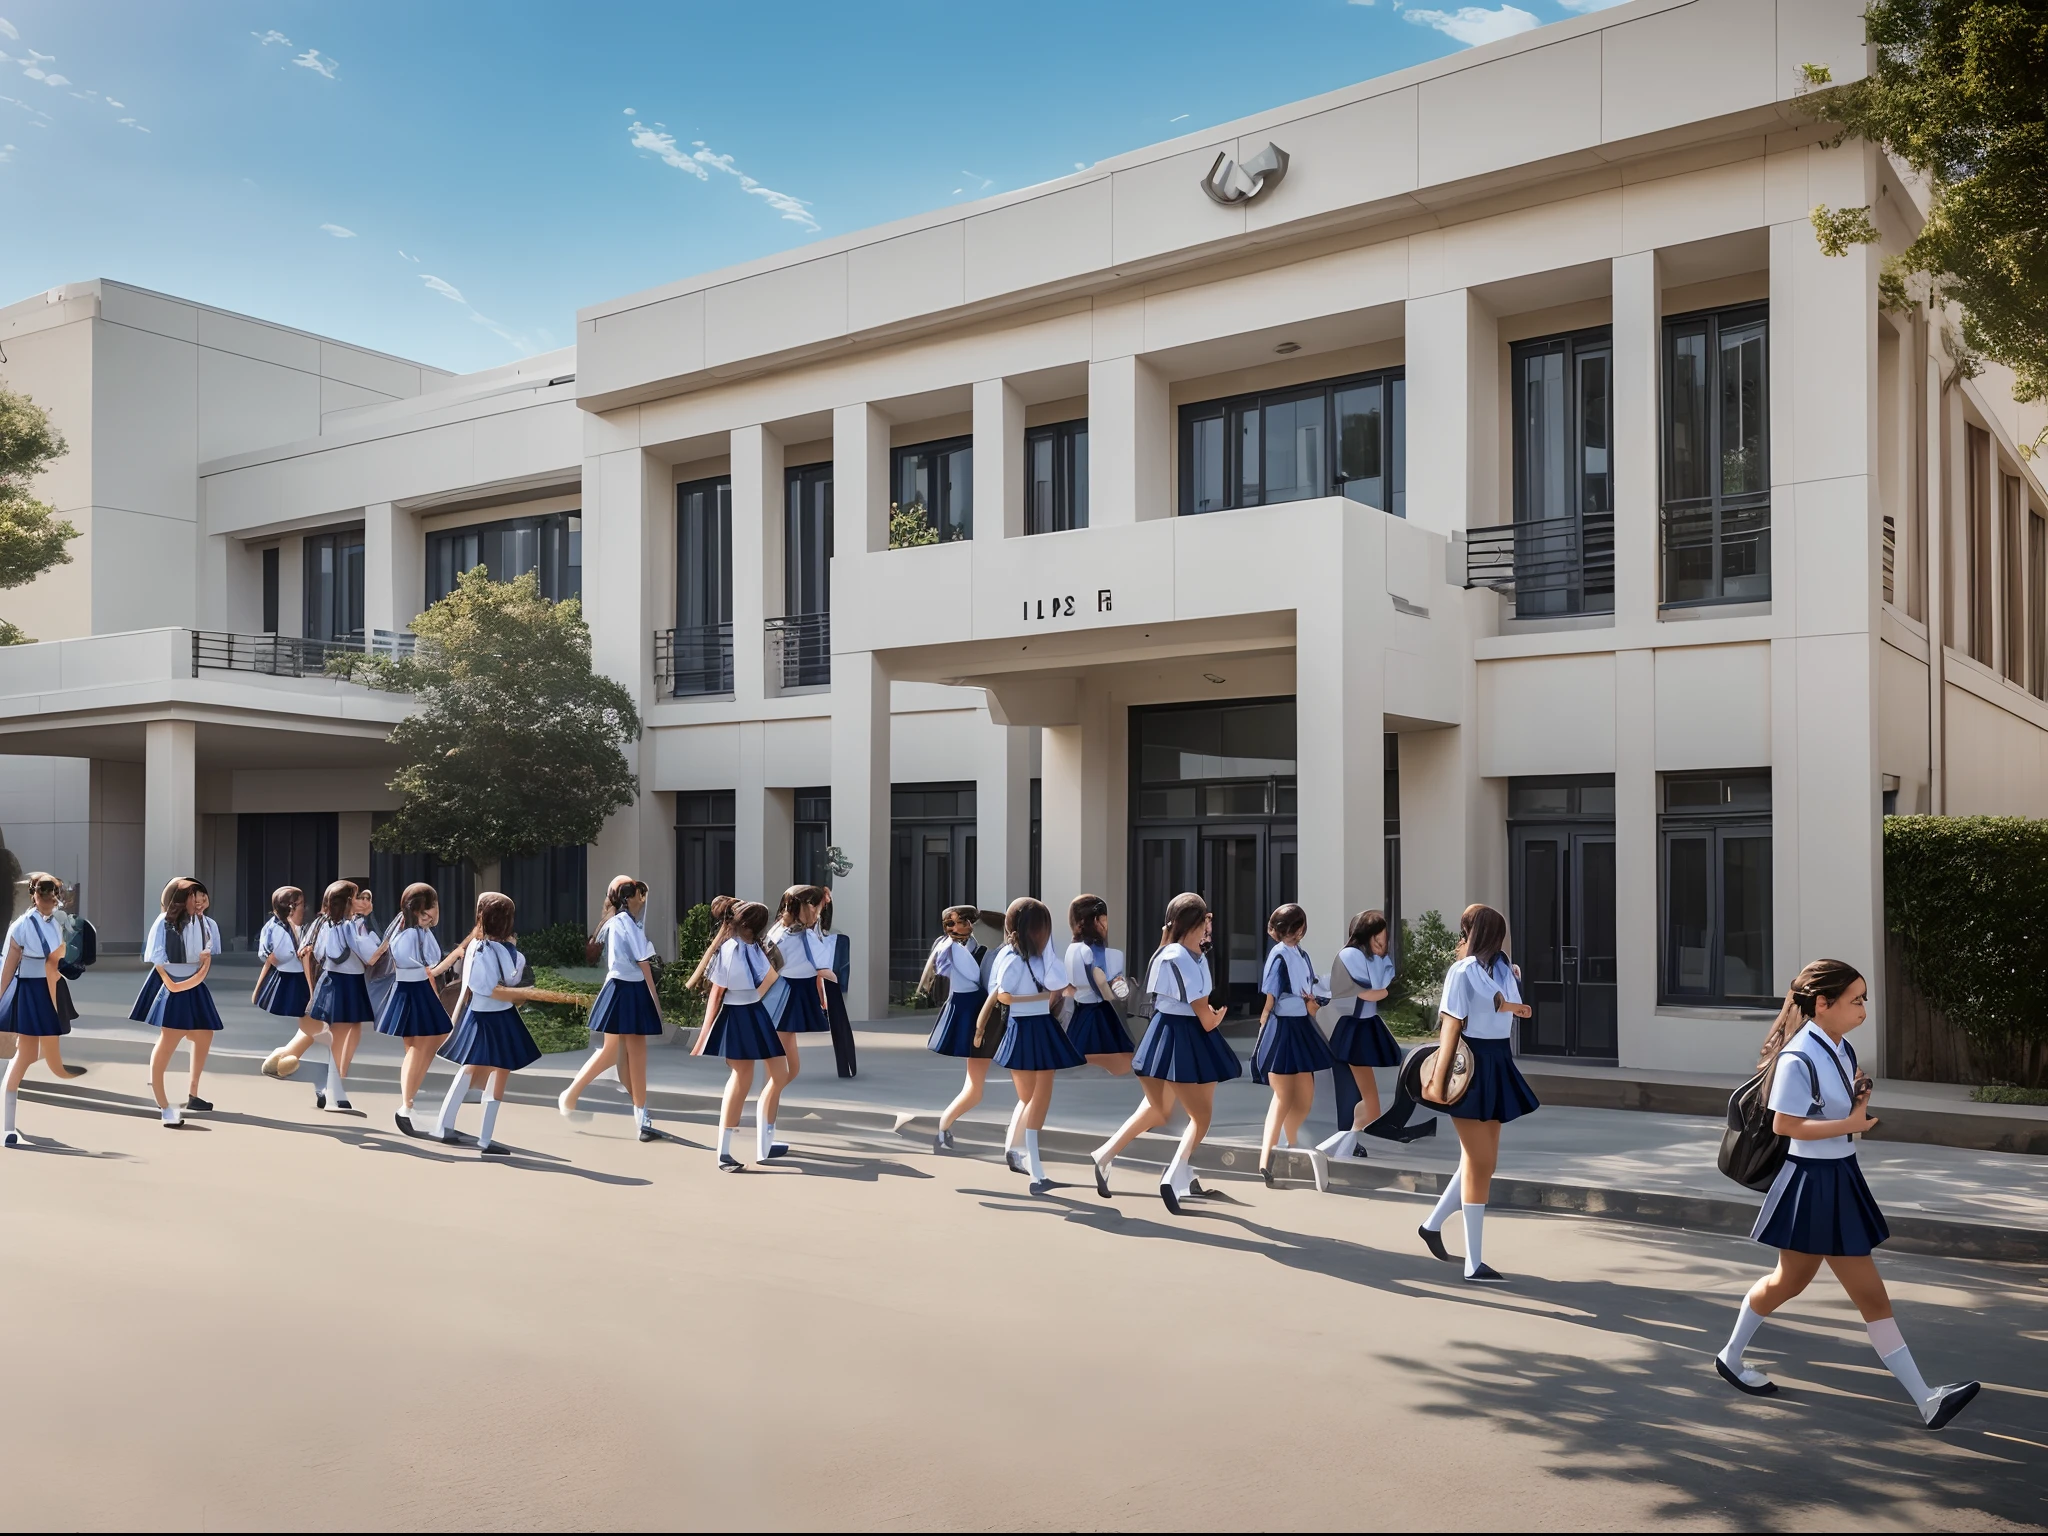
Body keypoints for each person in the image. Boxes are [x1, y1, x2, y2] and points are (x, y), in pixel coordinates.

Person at [1714, 958, 1980, 1428]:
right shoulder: (1798, 1057)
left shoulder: (1840, 1047)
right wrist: (1852, 1123)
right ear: (1823, 1003)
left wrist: (1859, 1101)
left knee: (1789, 1282)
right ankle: (1927, 1400)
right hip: (1811, 1183)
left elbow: (1839, 1109)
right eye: (1855, 1000)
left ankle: (1731, 1356)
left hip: (1838, 1176)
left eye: (1863, 999)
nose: (1862, 1008)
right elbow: (1787, 1126)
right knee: (1860, 1294)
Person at [1091, 892, 1240, 1213]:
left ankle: (1105, 1156)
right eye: (1205, 923)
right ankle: (1174, 1175)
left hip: (1161, 1035)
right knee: (1201, 1117)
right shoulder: (1185, 957)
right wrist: (1218, 1016)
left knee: (1157, 1110)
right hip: (1189, 1037)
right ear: (1194, 924)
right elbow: (1204, 1015)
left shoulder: (1165, 953)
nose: (1208, 930)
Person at [1417, 903, 1539, 1283]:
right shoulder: (1463, 971)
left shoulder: (1503, 969)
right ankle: (1474, 1262)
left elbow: (1509, 1011)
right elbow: (1451, 1026)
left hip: (1498, 1061)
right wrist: (1438, 1081)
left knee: (1481, 1162)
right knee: (1479, 1161)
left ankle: (1432, 1225)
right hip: (1469, 1065)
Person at [432, 892, 549, 1156]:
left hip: (478, 1013)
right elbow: (510, 978)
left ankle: (443, 1125)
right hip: (498, 1017)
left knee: (470, 1068)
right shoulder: (501, 950)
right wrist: (516, 956)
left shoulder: (475, 945)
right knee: (499, 1072)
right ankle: (485, 1138)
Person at [559, 875, 665, 1141]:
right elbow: (643, 963)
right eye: (637, 893)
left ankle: (573, 1098)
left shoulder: (616, 922)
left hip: (618, 988)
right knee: (634, 1057)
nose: (641, 898)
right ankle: (641, 1118)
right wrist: (655, 998)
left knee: (616, 1055)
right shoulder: (626, 923)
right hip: (629, 989)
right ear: (628, 897)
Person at [989, 896, 1081, 1194]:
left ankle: (1016, 1152)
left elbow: (1058, 982)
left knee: (1031, 1099)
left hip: (1036, 1027)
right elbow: (1002, 994)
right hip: (1027, 1027)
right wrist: (1039, 998)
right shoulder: (1014, 960)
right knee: (1034, 1100)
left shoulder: (1035, 959)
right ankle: (1034, 1167)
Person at [688, 896, 787, 1171]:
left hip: (754, 1012)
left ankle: (764, 1144)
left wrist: (757, 996)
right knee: (743, 1077)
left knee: (780, 1072)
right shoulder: (730, 949)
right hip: (738, 1014)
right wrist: (705, 1033)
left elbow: (770, 979)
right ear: (748, 925)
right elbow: (717, 992)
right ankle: (724, 1151)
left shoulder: (753, 947)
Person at [1250, 903, 1333, 1191]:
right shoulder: (1280, 956)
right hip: (1282, 1027)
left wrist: (1316, 1000)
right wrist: (1263, 1028)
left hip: (1300, 1026)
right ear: (1296, 928)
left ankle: (1290, 1143)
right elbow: (1270, 998)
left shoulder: (1300, 954)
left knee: (1305, 1098)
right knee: (1283, 1096)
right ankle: (1266, 1157)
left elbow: (1310, 986)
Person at [133, 877, 223, 1127]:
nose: (200, 900)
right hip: (171, 982)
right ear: (180, 899)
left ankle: (193, 1093)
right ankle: (163, 1105)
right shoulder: (163, 923)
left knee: (204, 1034)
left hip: (194, 983)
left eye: (202, 895)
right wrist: (172, 985)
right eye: (194, 896)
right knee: (170, 1039)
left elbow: (207, 957)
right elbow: (157, 959)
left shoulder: (207, 924)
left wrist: (201, 967)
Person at [377, 883, 465, 1137]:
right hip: (413, 991)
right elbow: (431, 964)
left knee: (419, 1046)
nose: (437, 910)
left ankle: (409, 1105)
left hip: (412, 990)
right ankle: (406, 1106)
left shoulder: (412, 931)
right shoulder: (412, 934)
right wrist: (455, 955)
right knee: (419, 1047)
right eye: (434, 905)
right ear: (422, 910)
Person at [1321, 909, 1402, 1158]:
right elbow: (1371, 990)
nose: (1382, 945)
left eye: (1384, 940)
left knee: (1359, 1097)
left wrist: (1382, 987)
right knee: (1363, 1099)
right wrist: (1382, 991)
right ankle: (1343, 1143)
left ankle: (1347, 1142)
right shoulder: (1351, 955)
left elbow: (1382, 984)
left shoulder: (1371, 957)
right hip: (1352, 1029)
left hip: (1361, 1027)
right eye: (1377, 939)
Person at [0, 873, 72, 1147]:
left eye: (53, 892)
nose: (48, 898)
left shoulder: (57, 923)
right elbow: (8, 965)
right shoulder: (21, 925)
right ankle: (7, 1127)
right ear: (34, 895)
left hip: (49, 989)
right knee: (25, 1055)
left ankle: (8, 1123)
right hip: (30, 990)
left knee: (32, 1053)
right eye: (44, 893)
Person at [304, 880, 386, 1112]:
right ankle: (331, 1093)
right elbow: (371, 955)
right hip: (344, 981)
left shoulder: (331, 924)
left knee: (342, 1036)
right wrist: (383, 938)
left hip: (340, 980)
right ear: (349, 901)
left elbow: (321, 954)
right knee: (338, 1038)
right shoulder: (348, 926)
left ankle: (335, 1090)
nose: (361, 900)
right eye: (357, 896)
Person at [924, 904, 996, 1151]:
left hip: (977, 1009)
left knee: (975, 1087)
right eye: (952, 923)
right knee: (975, 1088)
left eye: (963, 921)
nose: (959, 926)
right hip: (975, 1013)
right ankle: (943, 1130)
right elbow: (979, 979)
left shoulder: (966, 948)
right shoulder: (952, 948)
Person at [765, 885, 836, 1099]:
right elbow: (822, 966)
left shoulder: (782, 930)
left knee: (790, 1069)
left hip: (789, 991)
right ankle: (766, 1108)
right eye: (814, 906)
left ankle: (767, 1105)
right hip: (788, 993)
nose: (818, 911)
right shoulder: (795, 935)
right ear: (807, 907)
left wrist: (823, 901)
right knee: (784, 1070)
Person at [1062, 894, 1135, 1075]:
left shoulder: (1071, 949)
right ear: (1096, 920)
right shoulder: (1105, 954)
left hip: (1080, 1013)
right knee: (1115, 1066)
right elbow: (1108, 988)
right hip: (1100, 1013)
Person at [818, 890, 857, 1078]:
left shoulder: (837, 938)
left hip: (828, 978)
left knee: (839, 1021)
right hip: (808, 976)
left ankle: (846, 1065)